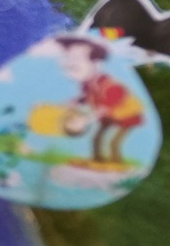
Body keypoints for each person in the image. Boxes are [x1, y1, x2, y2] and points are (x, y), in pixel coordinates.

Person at [56, 36, 145, 165]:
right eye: (67, 57)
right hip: (107, 116)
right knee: (96, 138)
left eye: (77, 58)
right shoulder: (87, 84)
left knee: (114, 141)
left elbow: (113, 99)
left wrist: (89, 117)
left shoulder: (107, 83)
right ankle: (98, 160)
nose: (69, 64)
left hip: (126, 116)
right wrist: (77, 102)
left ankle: (117, 163)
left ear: (96, 62)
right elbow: (87, 97)